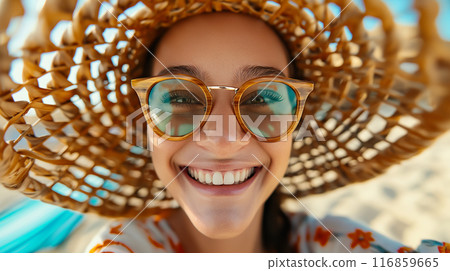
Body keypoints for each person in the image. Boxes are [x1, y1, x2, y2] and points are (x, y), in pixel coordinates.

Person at [0, 0, 449, 253]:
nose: (223, 138)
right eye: (178, 98)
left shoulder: (336, 243)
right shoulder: (127, 250)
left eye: (261, 98)